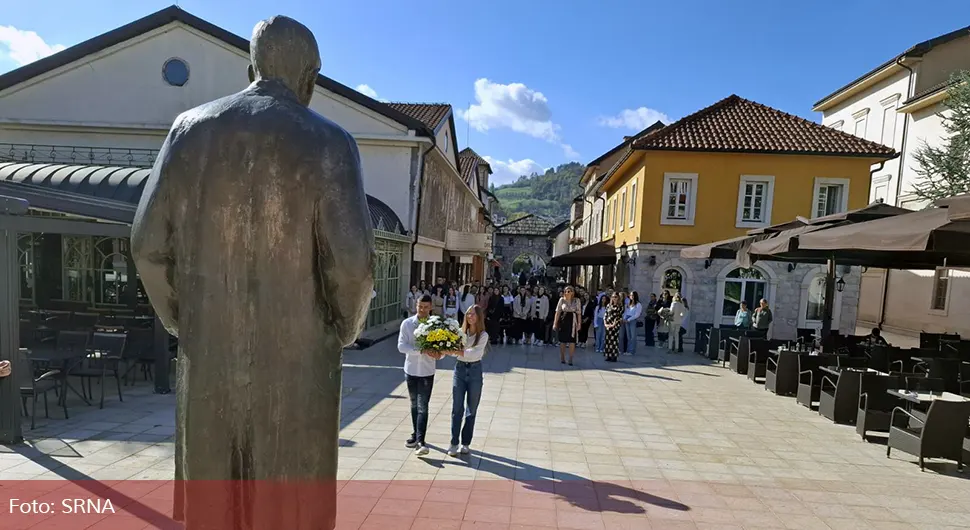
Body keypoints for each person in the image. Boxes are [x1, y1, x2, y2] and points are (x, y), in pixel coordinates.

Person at [397, 295, 442, 455]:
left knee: (423, 406)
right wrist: (419, 350)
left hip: (427, 371)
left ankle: (421, 441)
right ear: (416, 306)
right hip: (410, 370)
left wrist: (439, 355)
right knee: (414, 404)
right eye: (419, 307)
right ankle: (415, 433)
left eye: (425, 307)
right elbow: (401, 346)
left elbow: (441, 348)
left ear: (430, 307)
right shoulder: (407, 324)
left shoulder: (435, 325)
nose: (422, 310)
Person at [448, 305, 488, 457]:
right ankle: (453, 442)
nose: (470, 316)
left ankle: (465, 443)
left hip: (475, 371)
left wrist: (457, 351)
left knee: (471, 409)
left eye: (473, 314)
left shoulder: (483, 335)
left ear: (478, 317)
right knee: (457, 408)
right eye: (468, 314)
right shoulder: (460, 333)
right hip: (460, 370)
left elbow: (474, 353)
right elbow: (453, 351)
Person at [553, 286, 582, 365]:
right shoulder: (562, 300)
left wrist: (579, 324)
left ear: (572, 292)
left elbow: (579, 313)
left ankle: (570, 358)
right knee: (563, 340)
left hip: (572, 321)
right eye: (565, 291)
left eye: (569, 291)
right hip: (563, 320)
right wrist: (555, 323)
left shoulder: (577, 300)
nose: (566, 293)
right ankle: (562, 357)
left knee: (572, 340)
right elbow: (558, 312)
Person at [603, 293, 624, 362]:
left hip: (615, 326)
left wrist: (613, 324)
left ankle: (614, 356)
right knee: (607, 340)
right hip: (608, 325)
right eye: (612, 297)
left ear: (618, 298)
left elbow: (619, 317)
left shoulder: (620, 307)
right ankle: (608, 355)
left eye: (615, 297)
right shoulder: (609, 306)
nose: (614, 298)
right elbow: (605, 315)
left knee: (614, 341)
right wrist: (605, 323)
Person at [623, 292, 642, 356]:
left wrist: (629, 319)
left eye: (633, 295)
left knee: (633, 336)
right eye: (630, 295)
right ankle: (628, 350)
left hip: (632, 320)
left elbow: (637, 314)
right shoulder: (628, 304)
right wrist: (624, 318)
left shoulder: (638, 304)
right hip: (627, 319)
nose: (631, 296)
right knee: (628, 336)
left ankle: (632, 351)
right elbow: (626, 312)